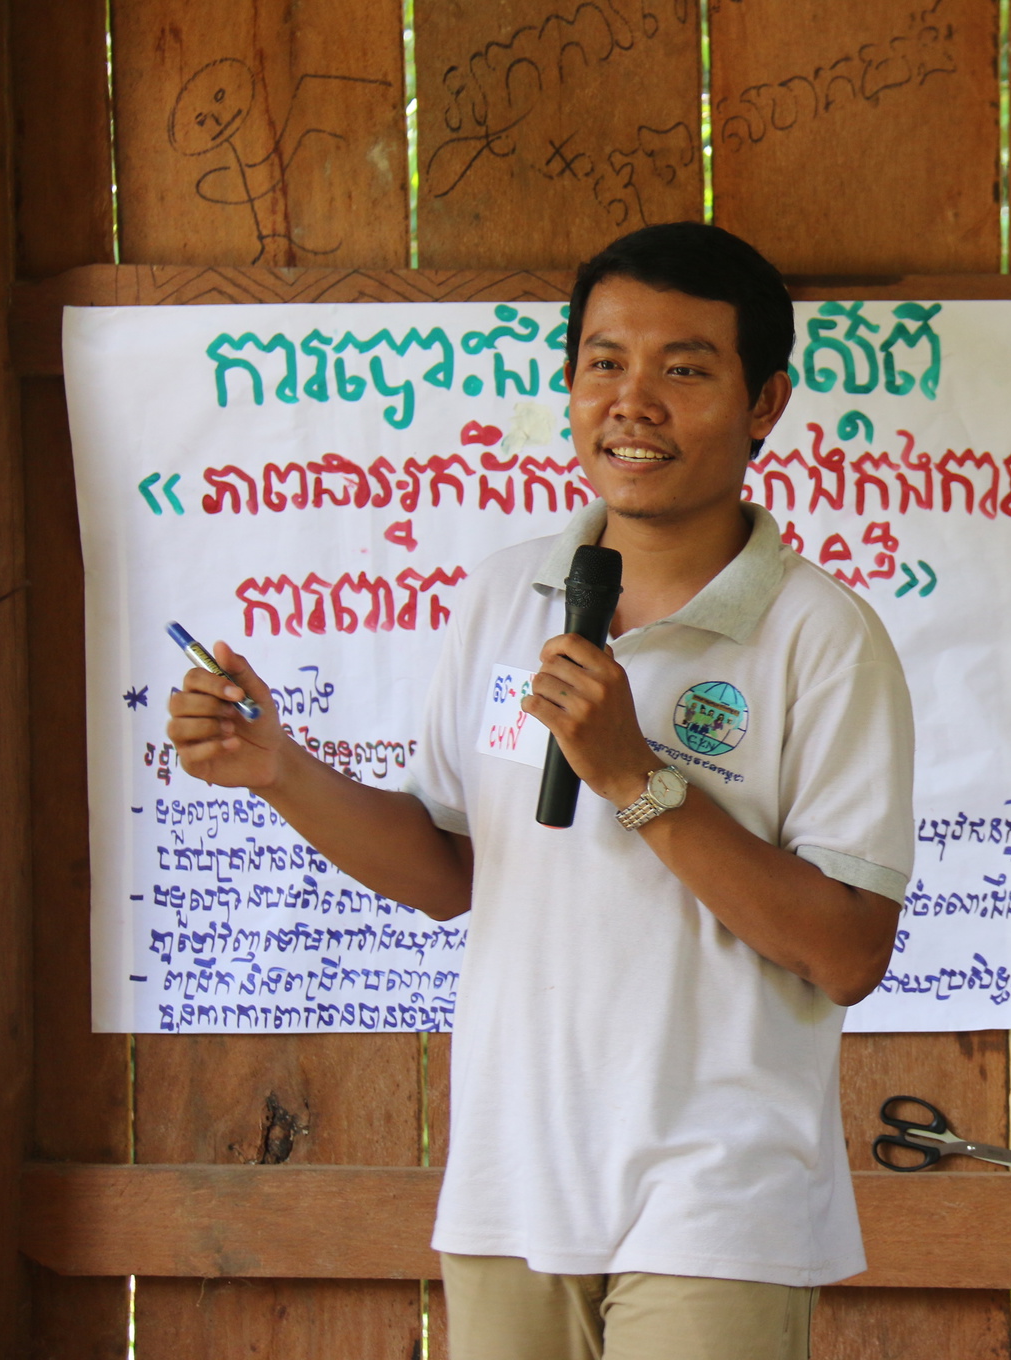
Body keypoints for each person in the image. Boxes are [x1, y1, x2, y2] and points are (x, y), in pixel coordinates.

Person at [166, 222, 915, 1360]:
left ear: (764, 402)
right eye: (604, 362)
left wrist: (639, 778)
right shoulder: (506, 593)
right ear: (568, 384)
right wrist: (279, 770)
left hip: (717, 1194)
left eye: (685, 368)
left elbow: (850, 950)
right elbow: (448, 871)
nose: (635, 401)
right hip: (512, 1178)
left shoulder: (824, 637)